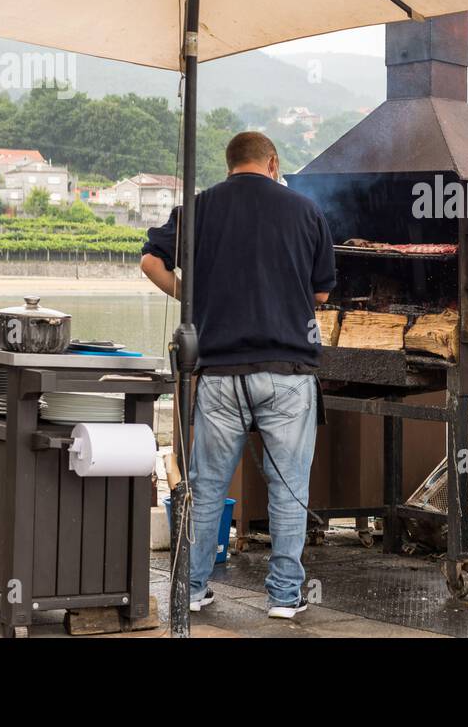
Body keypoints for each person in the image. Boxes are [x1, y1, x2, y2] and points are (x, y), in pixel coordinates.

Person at [140, 132, 335, 619]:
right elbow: (322, 296)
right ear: (272, 162)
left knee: (206, 488)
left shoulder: (198, 207)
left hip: (220, 373)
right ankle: (285, 598)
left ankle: (193, 589)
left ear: (230, 165)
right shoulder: (306, 210)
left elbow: (149, 261)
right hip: (287, 373)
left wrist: (191, 299)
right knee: (288, 487)